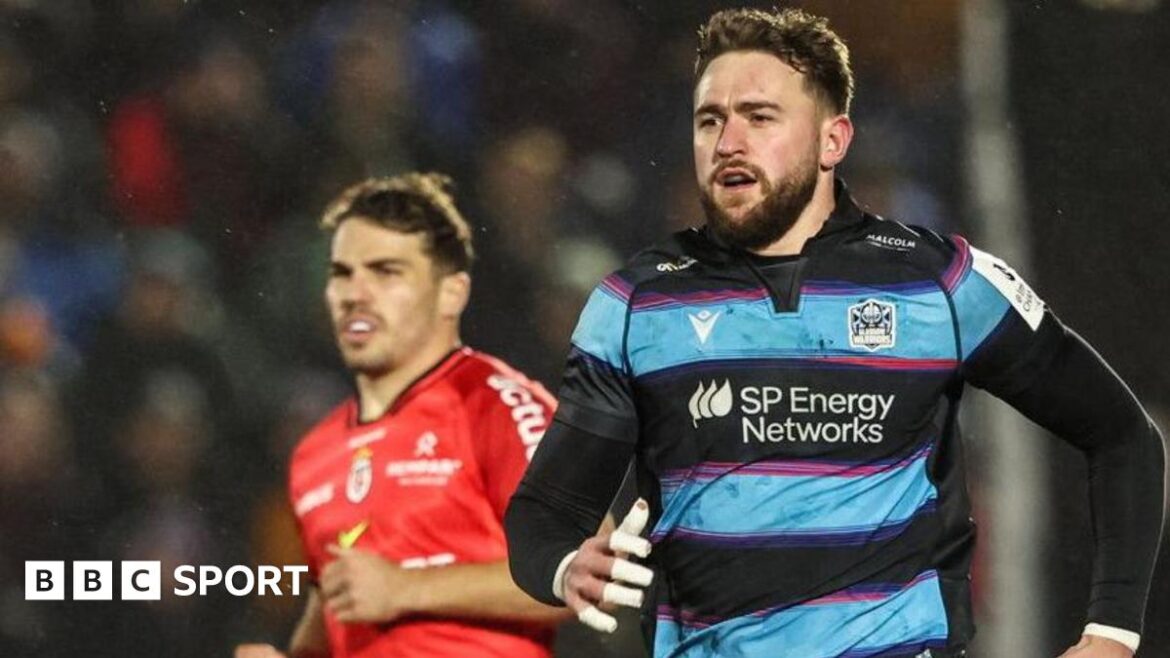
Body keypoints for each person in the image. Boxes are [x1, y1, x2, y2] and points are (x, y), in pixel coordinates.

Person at [504, 7, 1165, 658]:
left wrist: (1112, 632)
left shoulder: (941, 282)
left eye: (760, 117)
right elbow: (547, 510)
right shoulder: (635, 302)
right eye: (710, 120)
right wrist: (565, 568)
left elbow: (1122, 434)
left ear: (833, 140)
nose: (728, 142)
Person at [236, 172, 566, 658]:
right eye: (342, 273)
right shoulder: (314, 455)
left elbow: (584, 570)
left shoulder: (495, 404)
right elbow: (340, 617)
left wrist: (406, 588)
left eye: (385, 272)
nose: (355, 293)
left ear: (452, 293)